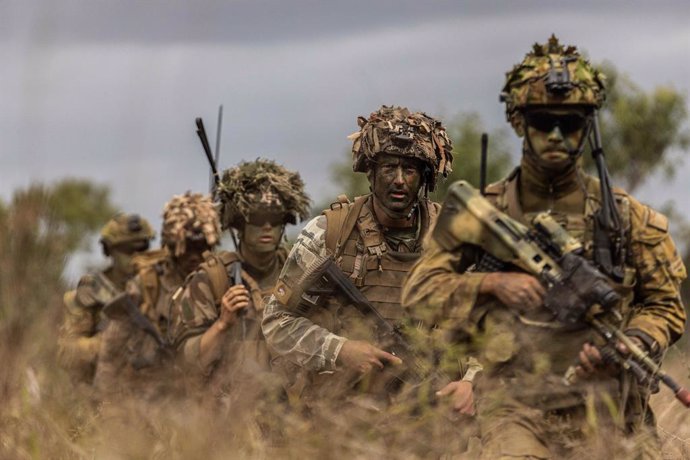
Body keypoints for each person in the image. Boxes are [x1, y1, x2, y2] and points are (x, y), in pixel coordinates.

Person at [402, 35, 687, 458]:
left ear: (586, 127)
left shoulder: (630, 218)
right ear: (519, 122)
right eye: (542, 121)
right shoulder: (481, 212)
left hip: (610, 409)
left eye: (569, 123)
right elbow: (418, 296)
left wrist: (633, 340)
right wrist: (492, 284)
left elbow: (666, 305)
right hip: (516, 408)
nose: (555, 134)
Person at [261, 105, 479, 409]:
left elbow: (490, 328)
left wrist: (470, 382)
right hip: (342, 418)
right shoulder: (329, 233)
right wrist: (340, 350)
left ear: (425, 178)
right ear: (372, 173)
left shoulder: (453, 240)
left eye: (410, 169)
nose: (399, 180)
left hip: (432, 417)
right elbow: (276, 322)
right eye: (389, 168)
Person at [172, 159, 310, 409]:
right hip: (227, 418)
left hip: (294, 416)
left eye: (275, 218)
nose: (267, 226)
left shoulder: (301, 272)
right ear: (239, 225)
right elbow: (185, 363)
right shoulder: (212, 279)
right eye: (257, 217)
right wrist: (222, 324)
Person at [93, 192, 221, 399]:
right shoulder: (148, 284)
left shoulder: (220, 281)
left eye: (202, 247)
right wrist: (106, 409)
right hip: (152, 394)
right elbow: (111, 353)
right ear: (171, 245)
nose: (194, 256)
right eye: (187, 247)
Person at [57, 213, 154, 385]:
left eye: (142, 250)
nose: (136, 258)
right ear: (110, 251)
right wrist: (106, 343)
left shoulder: (157, 289)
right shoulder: (89, 294)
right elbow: (66, 354)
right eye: (127, 251)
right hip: (99, 395)